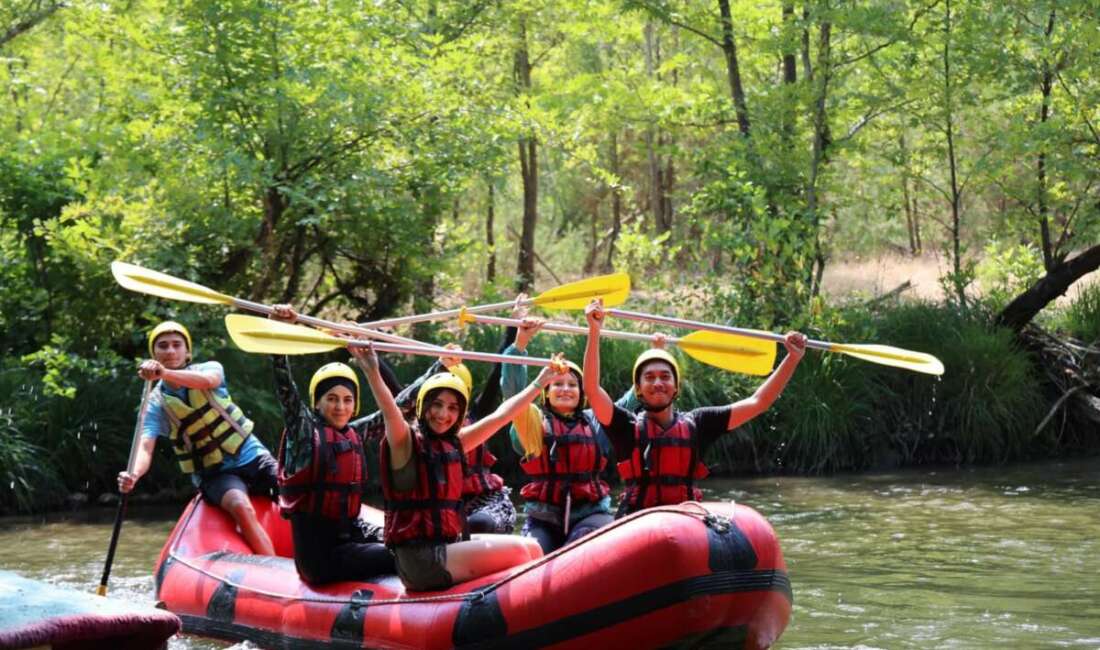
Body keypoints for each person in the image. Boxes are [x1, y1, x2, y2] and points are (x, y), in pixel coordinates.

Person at [582, 299, 807, 517]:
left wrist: (792, 358)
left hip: (685, 521)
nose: (658, 383)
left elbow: (759, 402)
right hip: (637, 520)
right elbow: (592, 389)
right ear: (638, 389)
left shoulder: (699, 424)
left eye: (665, 377)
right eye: (649, 378)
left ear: (676, 387)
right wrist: (594, 330)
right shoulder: (625, 426)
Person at [355, 341, 547, 592]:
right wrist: (371, 370)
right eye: (437, 404)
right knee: (525, 551)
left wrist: (541, 382)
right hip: (421, 560)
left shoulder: (455, 443)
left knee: (532, 547)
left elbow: (501, 416)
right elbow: (391, 412)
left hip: (444, 548)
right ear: (423, 407)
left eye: (452, 408)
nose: (443, 414)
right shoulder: (405, 443)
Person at [117, 320, 277, 555]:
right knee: (241, 506)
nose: (170, 350)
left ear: (187, 351)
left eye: (176, 344)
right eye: (162, 346)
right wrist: (133, 474)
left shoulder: (211, 368)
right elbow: (145, 447)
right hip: (215, 472)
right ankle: (272, 569)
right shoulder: (155, 404)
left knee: (299, 489)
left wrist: (164, 372)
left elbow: (207, 382)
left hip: (251, 454)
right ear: (154, 354)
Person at [268, 305, 396, 583]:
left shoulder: (354, 433)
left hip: (351, 539)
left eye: (347, 400)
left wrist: (440, 368)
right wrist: (278, 332)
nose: (340, 406)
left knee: (409, 540)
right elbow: (285, 388)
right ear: (317, 402)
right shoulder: (303, 433)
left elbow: (398, 409)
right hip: (321, 559)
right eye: (332, 399)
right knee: (403, 555)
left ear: (355, 404)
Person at [500, 316, 614, 554]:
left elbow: (629, 403)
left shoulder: (595, 420)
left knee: (582, 544)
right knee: (531, 552)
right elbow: (513, 394)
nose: (565, 389)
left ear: (582, 393)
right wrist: (520, 344)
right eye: (557, 384)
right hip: (544, 517)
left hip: (590, 514)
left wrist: (655, 354)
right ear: (546, 392)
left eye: (572, 384)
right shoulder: (532, 422)